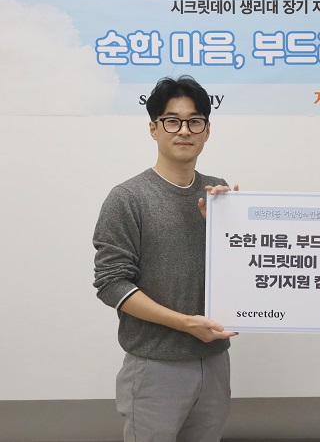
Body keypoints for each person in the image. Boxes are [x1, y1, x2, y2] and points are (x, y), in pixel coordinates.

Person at [93, 75, 237, 442]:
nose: (184, 130)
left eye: (195, 121)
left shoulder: (219, 194)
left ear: (207, 130)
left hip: (214, 361)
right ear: (153, 129)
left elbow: (242, 271)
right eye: (172, 121)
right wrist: (185, 323)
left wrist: (231, 227)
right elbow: (112, 284)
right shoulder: (128, 198)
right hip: (155, 365)